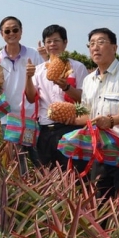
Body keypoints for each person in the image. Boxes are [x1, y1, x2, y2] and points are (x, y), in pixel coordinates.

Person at [71, 28, 119, 218]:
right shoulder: (89, 80)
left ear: (114, 47)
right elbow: (86, 115)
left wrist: (112, 120)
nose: (95, 47)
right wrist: (69, 117)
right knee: (99, 200)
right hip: (100, 150)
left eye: (101, 42)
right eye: (91, 44)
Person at [26, 24, 88, 169]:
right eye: (48, 41)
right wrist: (28, 77)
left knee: (74, 173)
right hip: (45, 129)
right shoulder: (39, 70)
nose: (52, 44)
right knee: (48, 174)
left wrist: (66, 87)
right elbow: (31, 98)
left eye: (56, 40)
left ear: (65, 43)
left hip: (71, 127)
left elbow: (84, 99)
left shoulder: (77, 67)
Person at [0, 16, 45, 174]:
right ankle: (22, 193)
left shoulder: (34, 55)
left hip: (31, 116)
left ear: (21, 32)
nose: (11, 33)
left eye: (15, 30)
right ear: (1, 34)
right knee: (16, 159)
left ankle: (43, 191)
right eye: (7, 31)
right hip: (8, 119)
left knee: (35, 157)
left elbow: (45, 78)